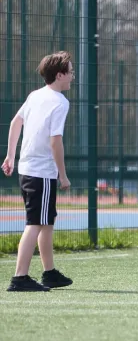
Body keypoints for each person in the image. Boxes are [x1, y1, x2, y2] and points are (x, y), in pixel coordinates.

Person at [2, 51, 75, 291]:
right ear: (60, 75)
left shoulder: (35, 95)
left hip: (27, 168)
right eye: (70, 72)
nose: (73, 77)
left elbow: (15, 122)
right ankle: (19, 277)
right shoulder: (60, 102)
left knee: (46, 222)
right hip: (42, 172)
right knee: (35, 222)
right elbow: (56, 141)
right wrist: (62, 175)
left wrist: (11, 156)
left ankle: (49, 273)